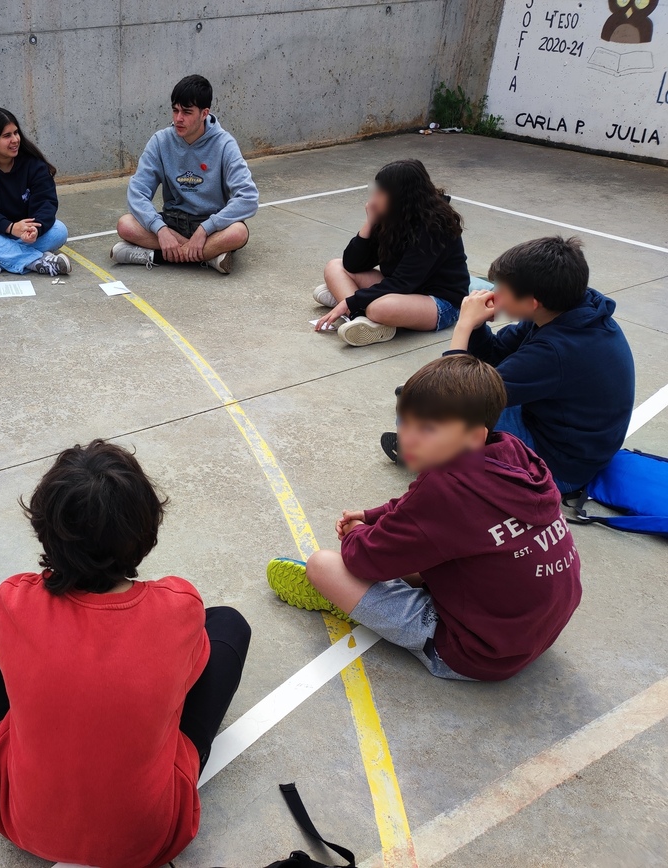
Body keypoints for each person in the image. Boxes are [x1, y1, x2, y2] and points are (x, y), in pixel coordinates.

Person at [0, 440, 250, 868]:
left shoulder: (12, 600)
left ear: (43, 527)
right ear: (146, 529)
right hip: (149, 839)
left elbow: (0, 658)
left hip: (21, 820)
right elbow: (188, 675)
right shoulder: (179, 605)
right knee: (228, 624)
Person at [268, 356, 581, 682]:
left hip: (479, 654)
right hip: (537, 630)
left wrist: (357, 532)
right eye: (404, 421)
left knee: (324, 566)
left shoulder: (445, 488)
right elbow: (427, 514)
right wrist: (374, 516)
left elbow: (364, 558)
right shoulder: (514, 453)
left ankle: (351, 603)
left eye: (427, 429)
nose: (407, 438)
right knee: (425, 547)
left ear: (473, 437)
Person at [432, 236, 635, 493]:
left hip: (559, 467)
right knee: (431, 400)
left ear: (532, 302)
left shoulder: (555, 351)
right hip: (565, 436)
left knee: (429, 411)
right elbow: (495, 355)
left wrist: (464, 325)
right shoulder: (564, 309)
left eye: (501, 289)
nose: (494, 293)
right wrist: (478, 325)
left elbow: (454, 400)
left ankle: (442, 454)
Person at [111, 74, 258, 275]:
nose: (178, 118)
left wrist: (205, 229)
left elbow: (248, 198)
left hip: (211, 224)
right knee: (125, 224)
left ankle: (155, 255)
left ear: (204, 113)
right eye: (175, 110)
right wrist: (161, 230)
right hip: (173, 222)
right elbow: (137, 192)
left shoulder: (225, 144)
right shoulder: (160, 141)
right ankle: (209, 256)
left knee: (238, 232)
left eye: (187, 112)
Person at [314, 159, 470, 347]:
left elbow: (403, 282)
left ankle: (360, 309)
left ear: (400, 196)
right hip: (403, 290)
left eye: (380, 192)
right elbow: (352, 264)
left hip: (439, 302)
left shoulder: (434, 226)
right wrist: (370, 223)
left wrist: (349, 301)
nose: (373, 197)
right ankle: (360, 318)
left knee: (379, 308)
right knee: (335, 267)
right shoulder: (392, 216)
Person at [0, 107, 71, 277]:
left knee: (59, 231)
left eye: (16, 133)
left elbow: (46, 201)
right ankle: (37, 261)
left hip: (25, 234)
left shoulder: (32, 162)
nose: (15, 140)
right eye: (7, 136)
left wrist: (35, 229)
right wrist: (10, 227)